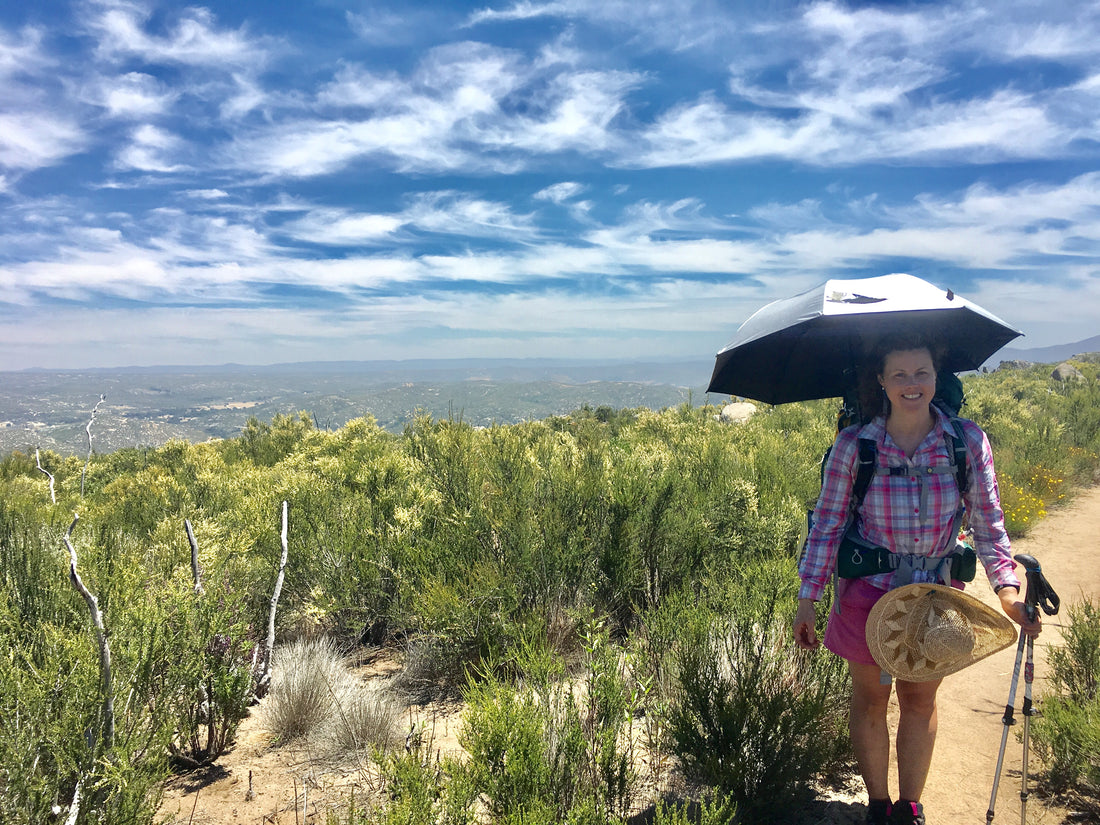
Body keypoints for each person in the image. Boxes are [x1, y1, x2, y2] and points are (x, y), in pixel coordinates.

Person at [792, 333, 1042, 825]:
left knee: (918, 699)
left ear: (937, 376)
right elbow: (827, 524)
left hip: (935, 600)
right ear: (881, 381)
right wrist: (808, 598)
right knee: (868, 699)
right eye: (900, 374)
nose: (912, 384)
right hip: (869, 596)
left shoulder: (966, 442)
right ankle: (878, 806)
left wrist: (1008, 594)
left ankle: (909, 808)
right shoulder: (855, 445)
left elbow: (990, 525)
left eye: (921, 372)